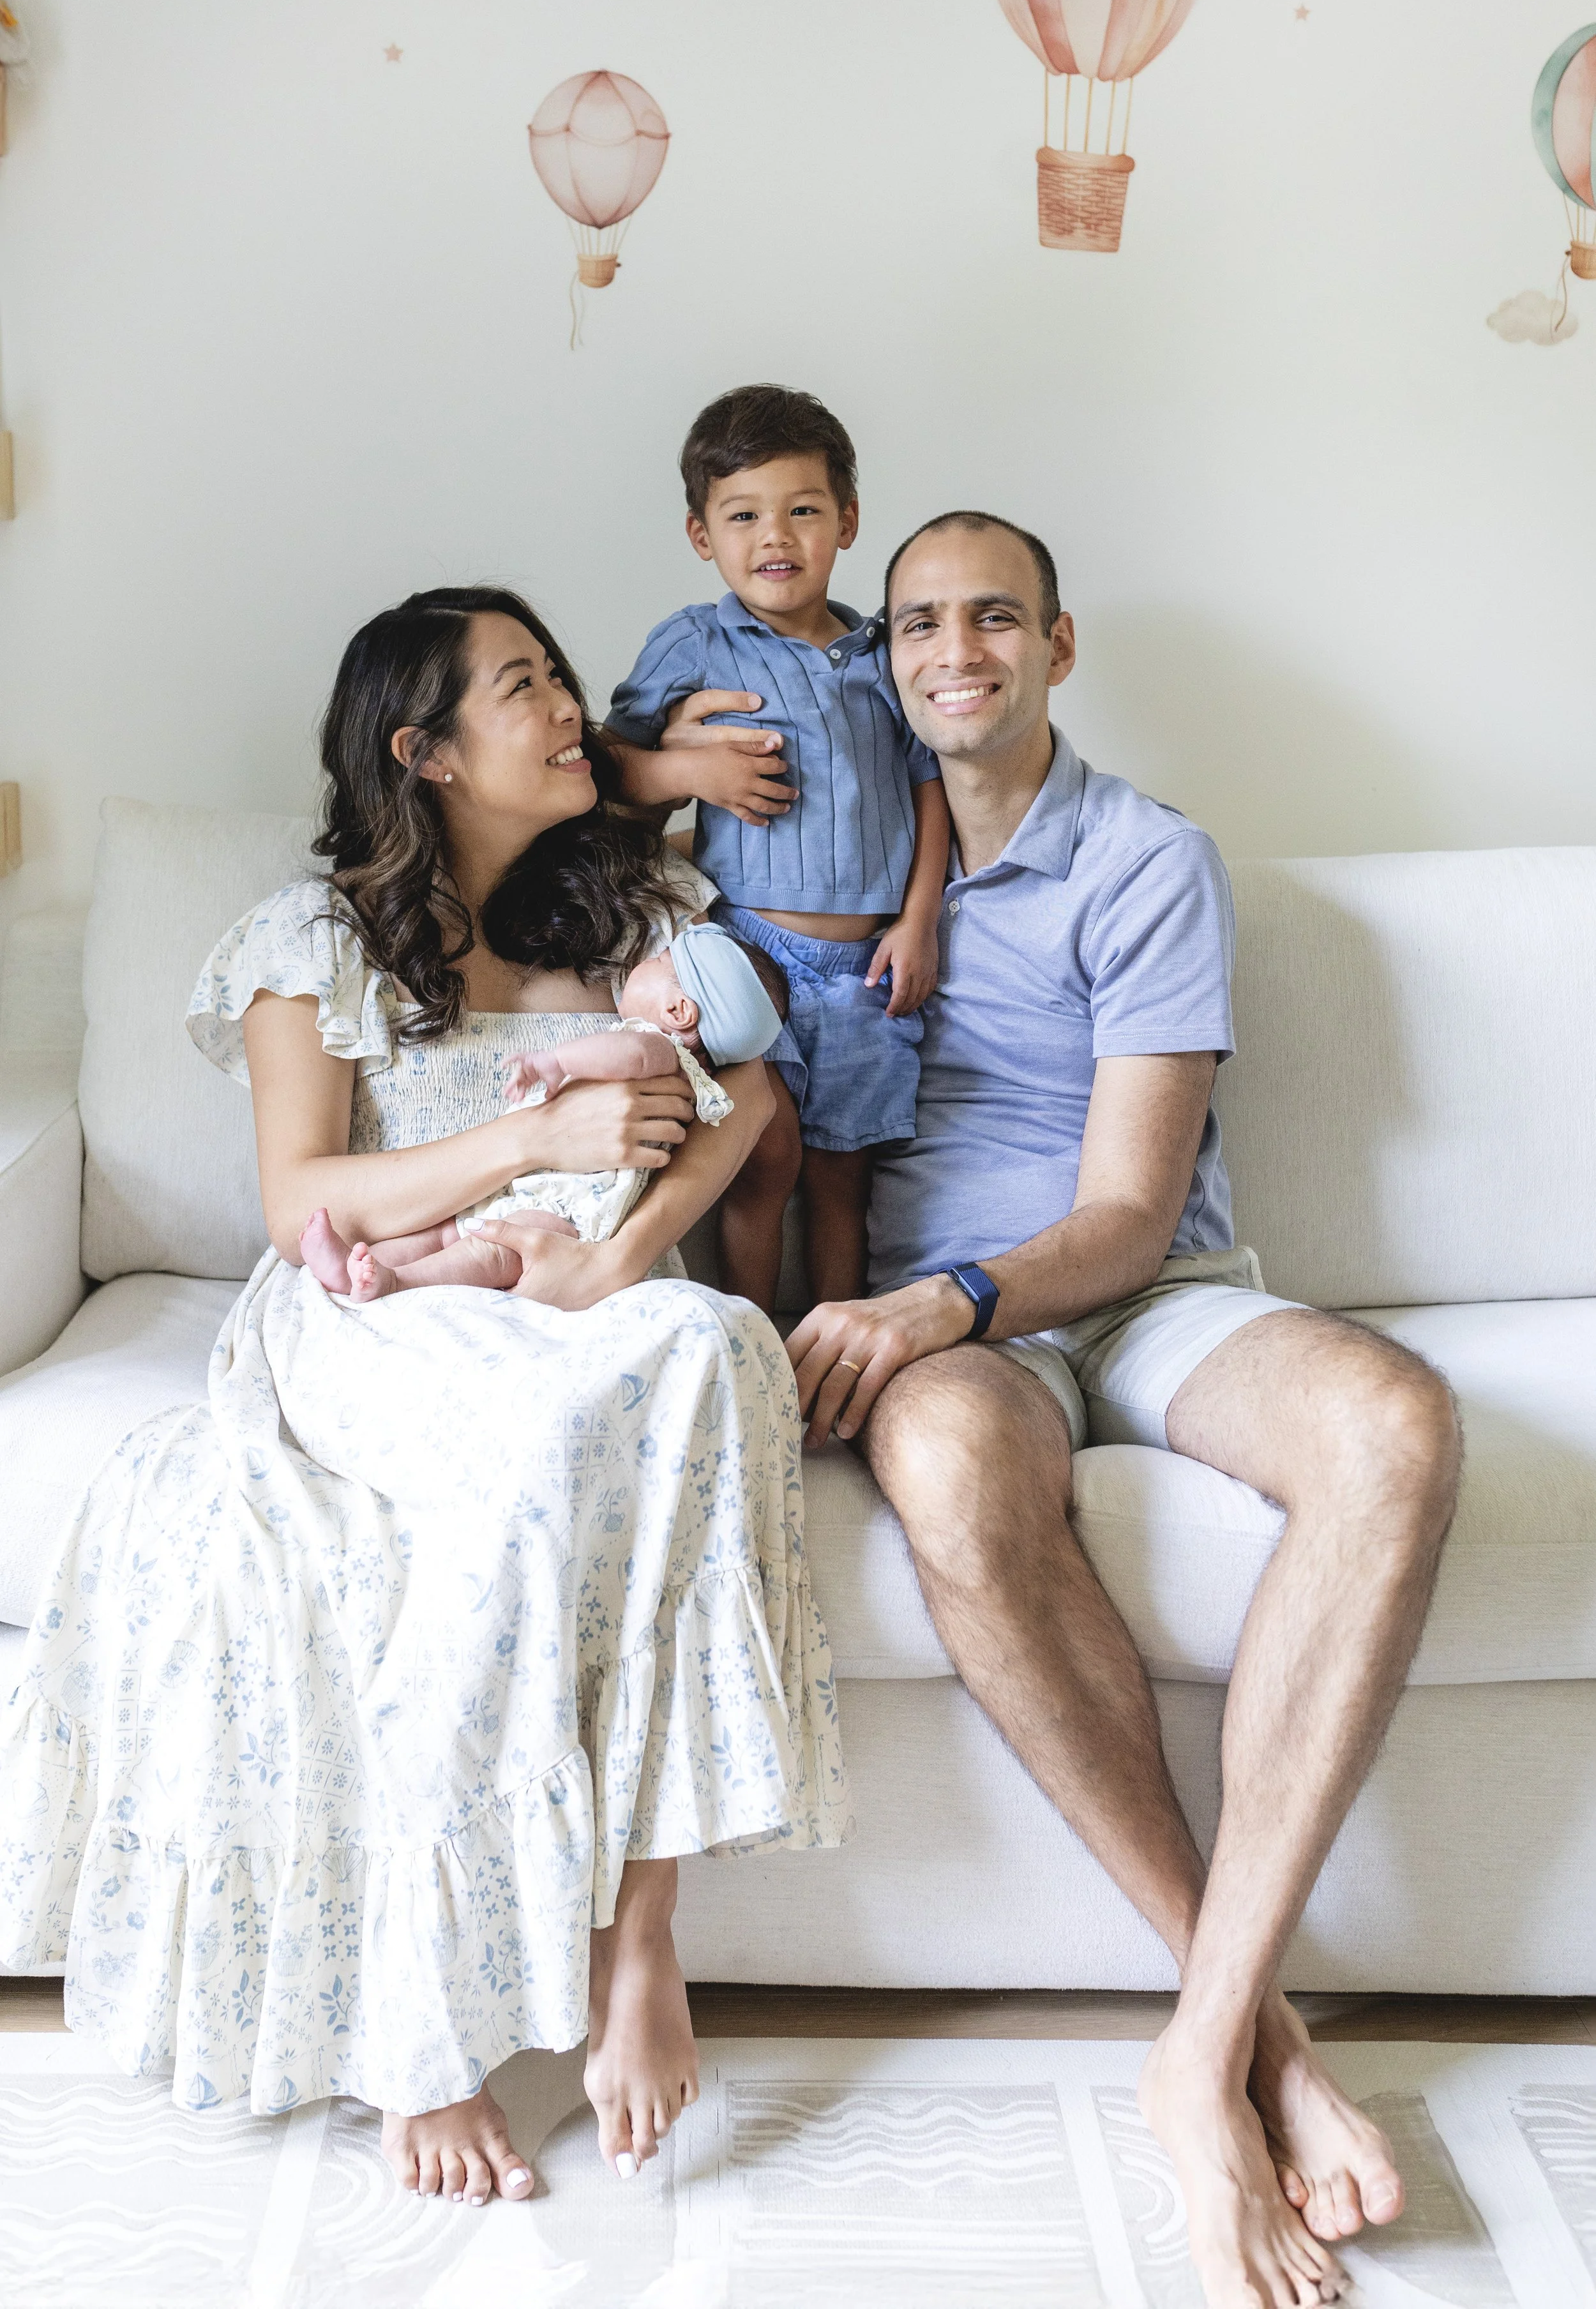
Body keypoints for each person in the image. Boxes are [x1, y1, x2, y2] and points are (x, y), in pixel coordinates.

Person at [0, 584, 849, 2207]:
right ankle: (424, 2024)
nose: (563, 710)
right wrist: (530, 1144)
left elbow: (744, 1098)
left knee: (717, 1350)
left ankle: (640, 1941)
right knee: (528, 1469)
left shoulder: (634, 904)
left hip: (589, 1295)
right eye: (521, 685)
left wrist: (623, 1262)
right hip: (378, 1309)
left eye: (557, 678)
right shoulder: (307, 943)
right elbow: (302, 1192)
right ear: (426, 749)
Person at [786, 513, 1461, 2309]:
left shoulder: (1146, 856)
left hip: (1128, 1294)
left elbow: (1132, 1215)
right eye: (917, 621)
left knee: (1390, 1419)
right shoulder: (828, 864)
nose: (953, 649)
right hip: (958, 1347)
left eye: (992, 616)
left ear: (1057, 646)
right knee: (938, 1451)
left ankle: (1203, 2038)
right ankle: (1257, 2036)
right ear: (883, 656)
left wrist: (945, 1292)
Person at [605, 382, 951, 1310]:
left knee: (845, 1178)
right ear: (700, 535)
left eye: (803, 511)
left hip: (868, 964)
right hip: (749, 950)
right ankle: (753, 1338)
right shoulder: (694, 642)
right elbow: (607, 764)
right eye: (744, 515)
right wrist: (687, 766)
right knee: (767, 1159)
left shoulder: (884, 654)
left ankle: (834, 1360)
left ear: (846, 521)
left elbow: (930, 782)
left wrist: (919, 922)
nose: (776, 538)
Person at [297, 922, 786, 1300]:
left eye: (660, 958)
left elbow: (632, 1057)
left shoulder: (661, 1052)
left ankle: (398, 1283)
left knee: (492, 1250)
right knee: (444, 1231)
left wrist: (557, 1061)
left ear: (680, 1012)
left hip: (569, 1210)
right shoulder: (692, 1074)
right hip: (532, 1183)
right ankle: (360, 1266)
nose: (647, 956)